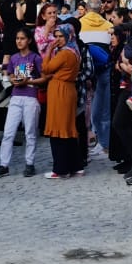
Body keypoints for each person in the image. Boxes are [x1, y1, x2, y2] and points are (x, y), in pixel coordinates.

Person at [0, 27, 43, 177]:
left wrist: (29, 80)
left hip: (31, 96)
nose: (19, 41)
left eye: (22, 38)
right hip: (16, 96)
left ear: (29, 40)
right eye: (17, 38)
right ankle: (3, 164)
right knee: (8, 132)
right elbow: (10, 75)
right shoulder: (14, 58)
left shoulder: (35, 58)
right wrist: (13, 78)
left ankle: (30, 163)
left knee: (30, 132)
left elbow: (44, 77)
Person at [38, 23, 86, 179]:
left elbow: (45, 68)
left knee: (58, 129)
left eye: (61, 36)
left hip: (60, 91)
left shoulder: (64, 53)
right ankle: (76, 166)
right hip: (67, 89)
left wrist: (49, 50)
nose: (57, 40)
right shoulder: (74, 51)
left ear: (68, 36)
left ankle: (61, 169)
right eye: (56, 36)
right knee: (68, 128)